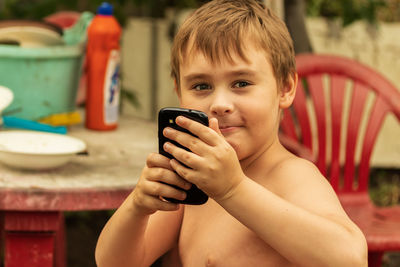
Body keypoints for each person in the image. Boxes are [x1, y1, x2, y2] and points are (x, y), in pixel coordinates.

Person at [95, 0, 368, 266]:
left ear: (284, 88)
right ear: (179, 93)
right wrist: (137, 208)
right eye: (201, 86)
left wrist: (233, 189)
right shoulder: (191, 181)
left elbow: (351, 259)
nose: (220, 104)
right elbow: (113, 262)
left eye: (241, 83)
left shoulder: (292, 177)